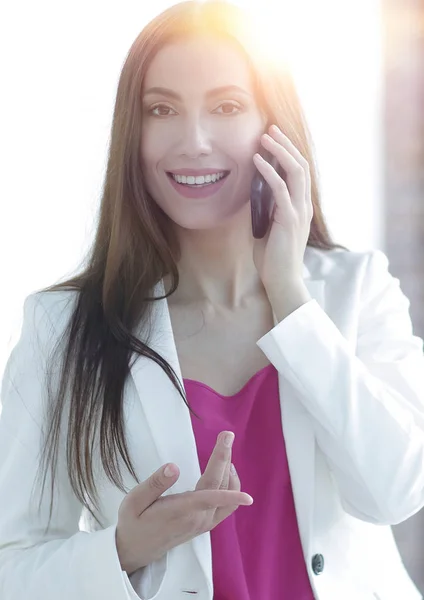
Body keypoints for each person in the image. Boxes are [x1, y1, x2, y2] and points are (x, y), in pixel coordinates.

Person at [1, 1, 424, 599]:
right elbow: (10, 567)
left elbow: (395, 491)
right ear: (133, 129)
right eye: (162, 109)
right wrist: (119, 550)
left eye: (226, 106)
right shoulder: (60, 328)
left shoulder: (358, 289)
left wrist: (290, 299)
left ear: (273, 127)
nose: (193, 140)